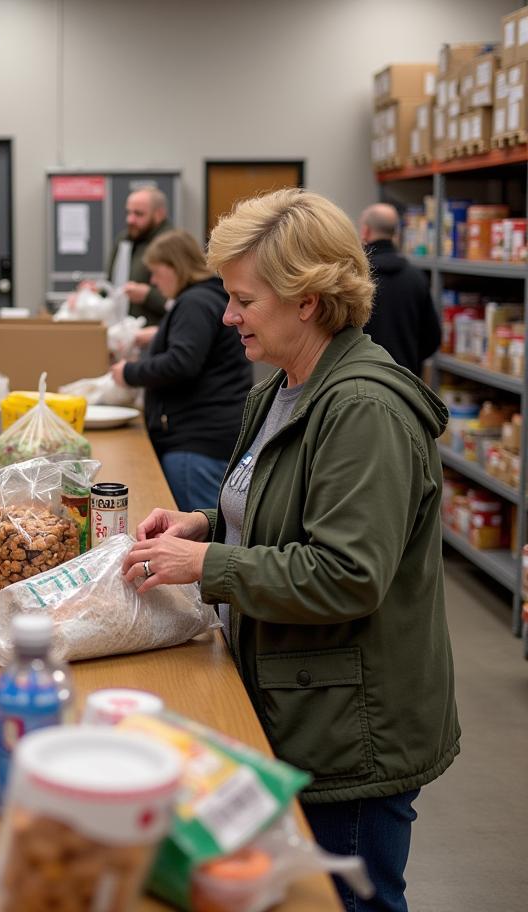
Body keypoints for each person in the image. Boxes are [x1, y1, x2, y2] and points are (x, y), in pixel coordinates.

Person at [122, 189, 459, 912]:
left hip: (353, 733)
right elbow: (287, 510)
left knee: (348, 899)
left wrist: (206, 567)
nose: (227, 315)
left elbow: (346, 574)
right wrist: (206, 525)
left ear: (307, 301)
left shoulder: (361, 410)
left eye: (244, 298)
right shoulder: (286, 387)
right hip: (300, 695)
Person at [110, 231, 251, 512]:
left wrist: (129, 372)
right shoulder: (208, 297)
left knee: (196, 533)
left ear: (175, 267)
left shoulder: (195, 302)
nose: (152, 281)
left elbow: (182, 362)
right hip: (210, 437)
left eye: (156, 272)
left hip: (195, 446)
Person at [360, 202, 441, 375]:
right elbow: (432, 339)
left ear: (365, 231)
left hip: (361, 379)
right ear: (396, 233)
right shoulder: (417, 277)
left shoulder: (357, 278)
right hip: (406, 381)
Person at [108, 186, 175, 325]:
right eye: (129, 212)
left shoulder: (171, 244)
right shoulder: (124, 240)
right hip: (124, 331)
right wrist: (99, 290)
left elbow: (182, 300)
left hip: (156, 335)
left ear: (159, 214)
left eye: (138, 214)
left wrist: (148, 296)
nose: (130, 219)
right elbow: (112, 283)